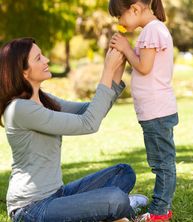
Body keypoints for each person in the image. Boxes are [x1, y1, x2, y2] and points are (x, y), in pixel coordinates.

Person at [0, 37, 148, 222]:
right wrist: (107, 70)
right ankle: (119, 210)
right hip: (31, 209)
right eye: (38, 58)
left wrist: (116, 69)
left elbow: (92, 110)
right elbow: (89, 123)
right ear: (22, 72)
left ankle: (109, 209)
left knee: (123, 172)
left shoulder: (43, 99)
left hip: (57, 195)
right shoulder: (20, 109)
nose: (46, 60)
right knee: (115, 198)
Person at [109, 0, 179, 222]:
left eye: (120, 14)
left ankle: (160, 212)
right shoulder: (151, 30)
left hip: (157, 111)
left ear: (135, 9)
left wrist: (127, 48)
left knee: (162, 163)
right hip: (153, 111)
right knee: (159, 161)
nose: (119, 20)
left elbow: (144, 67)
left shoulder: (151, 30)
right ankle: (161, 205)